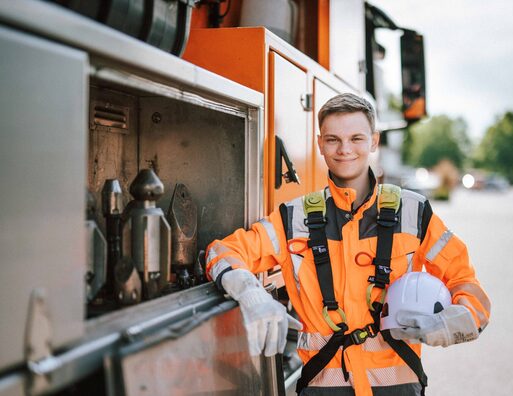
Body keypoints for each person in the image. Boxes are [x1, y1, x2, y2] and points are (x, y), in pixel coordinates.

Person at [206, 93, 491, 396]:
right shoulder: (293, 219)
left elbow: (466, 284)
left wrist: (450, 324)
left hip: (398, 387)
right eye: (333, 140)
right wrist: (252, 295)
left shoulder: (413, 212)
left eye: (356, 138)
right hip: (323, 388)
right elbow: (221, 252)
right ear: (320, 144)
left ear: (374, 142)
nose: (344, 150)